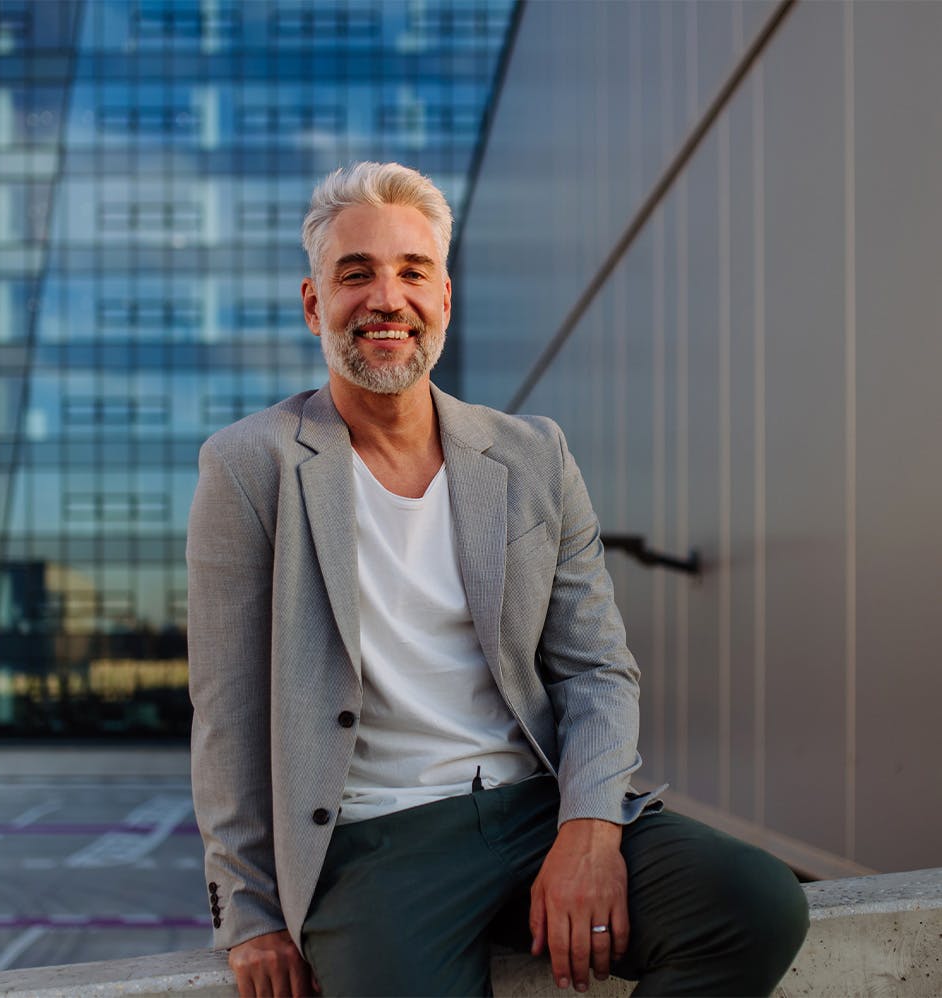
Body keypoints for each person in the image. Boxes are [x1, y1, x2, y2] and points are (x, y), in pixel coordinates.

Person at [187, 162, 808, 998]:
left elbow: (597, 669)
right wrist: (251, 915)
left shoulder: (530, 455)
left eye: (412, 273)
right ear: (314, 305)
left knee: (755, 904)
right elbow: (228, 710)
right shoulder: (248, 465)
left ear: (444, 299)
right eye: (356, 273)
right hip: (371, 847)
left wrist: (588, 830)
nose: (386, 298)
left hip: (534, 808)